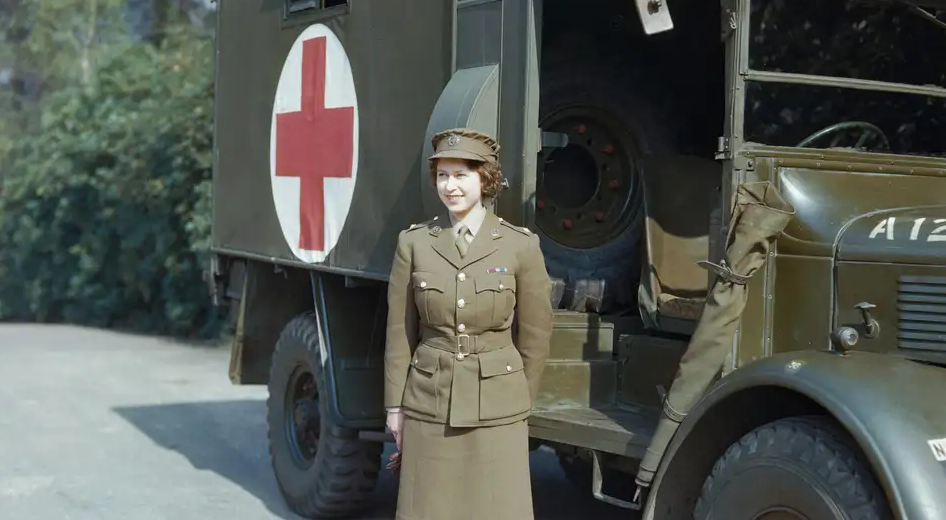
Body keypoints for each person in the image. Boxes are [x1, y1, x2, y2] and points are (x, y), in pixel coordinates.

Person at [383, 127, 553, 520]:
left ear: (485, 178)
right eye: (443, 176)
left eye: (461, 175)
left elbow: (536, 335)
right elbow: (399, 333)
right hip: (429, 402)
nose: (450, 186)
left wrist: (515, 397)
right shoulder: (414, 243)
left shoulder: (519, 246)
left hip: (498, 407)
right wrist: (395, 406)